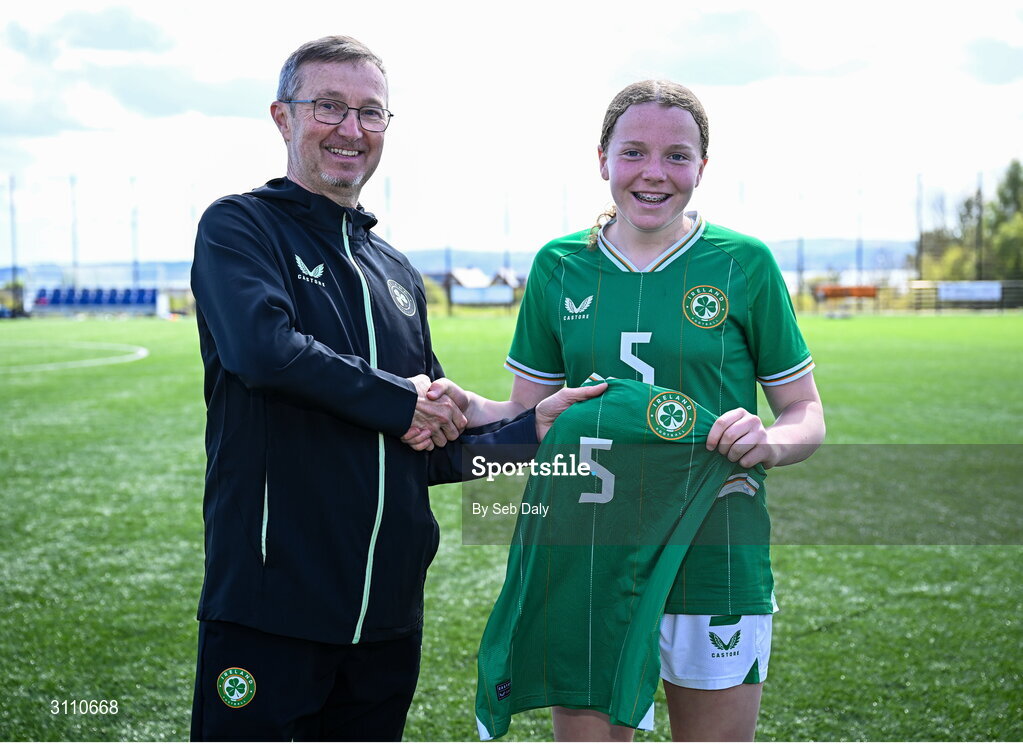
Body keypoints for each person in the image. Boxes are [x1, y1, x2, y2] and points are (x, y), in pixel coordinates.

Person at [188, 35, 602, 742]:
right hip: (270, 611)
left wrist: (527, 433)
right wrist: (402, 399)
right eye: (327, 106)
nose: (351, 129)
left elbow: (431, 448)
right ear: (282, 118)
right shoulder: (240, 226)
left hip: (386, 622)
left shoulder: (396, 271)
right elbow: (263, 352)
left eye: (370, 113)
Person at [468, 80, 826, 741]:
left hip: (715, 546)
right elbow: (526, 416)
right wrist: (466, 407)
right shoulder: (558, 266)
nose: (654, 173)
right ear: (601, 158)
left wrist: (768, 442)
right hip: (589, 545)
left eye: (676, 156)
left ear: (701, 167)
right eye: (632, 152)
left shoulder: (742, 263)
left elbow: (803, 412)